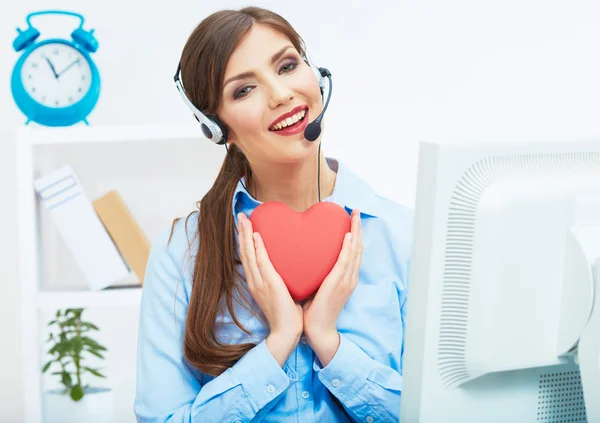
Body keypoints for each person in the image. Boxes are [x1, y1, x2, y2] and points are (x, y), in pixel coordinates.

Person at [134, 6, 413, 423]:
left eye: (286, 65)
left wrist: (329, 345)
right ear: (216, 127)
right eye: (243, 90)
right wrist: (278, 342)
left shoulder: (405, 237)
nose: (281, 94)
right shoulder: (182, 254)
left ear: (316, 75)